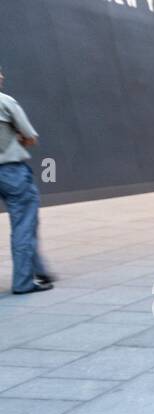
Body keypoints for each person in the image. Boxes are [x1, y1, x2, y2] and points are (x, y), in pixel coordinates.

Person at [0, 65, 53, 294]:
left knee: (26, 224)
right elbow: (30, 137)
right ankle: (23, 282)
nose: (2, 75)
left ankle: (40, 270)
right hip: (10, 171)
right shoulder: (5, 101)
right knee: (24, 225)